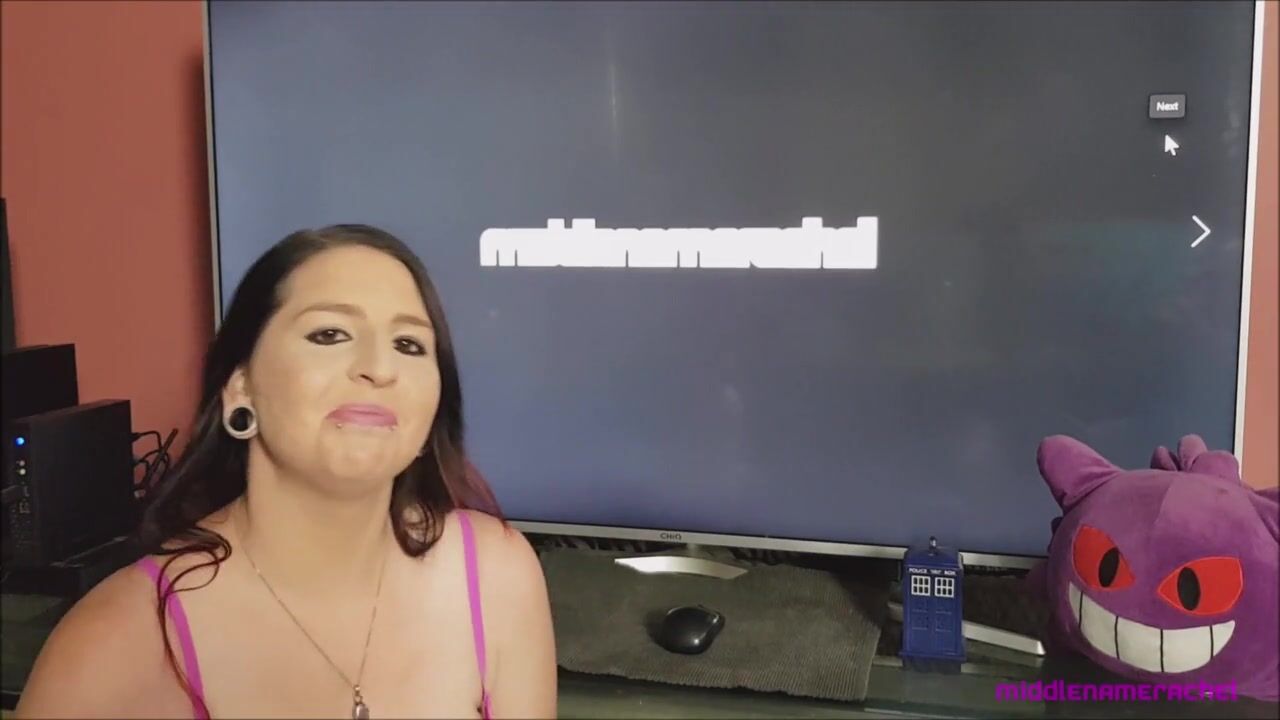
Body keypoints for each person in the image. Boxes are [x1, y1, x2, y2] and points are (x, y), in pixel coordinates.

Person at [15, 225, 557, 719]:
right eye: (330, 334)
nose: (379, 367)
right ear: (240, 387)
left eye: (409, 344)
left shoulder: (499, 576)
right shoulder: (115, 645)